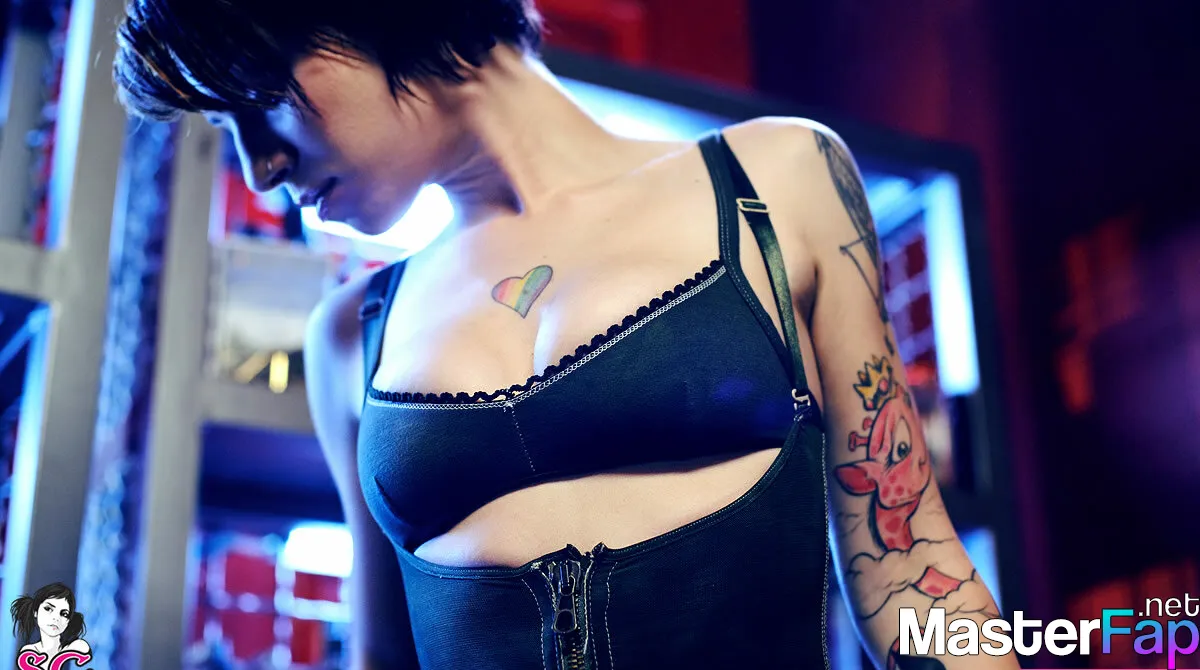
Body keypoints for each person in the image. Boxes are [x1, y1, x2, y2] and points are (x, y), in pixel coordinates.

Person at [114, 1, 1018, 668]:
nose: (258, 169)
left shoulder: (777, 180)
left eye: (260, 99)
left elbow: (913, 570)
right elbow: (386, 657)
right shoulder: (350, 335)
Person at [9, 583, 91, 670]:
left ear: (68, 621)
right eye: (48, 609)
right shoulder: (28, 652)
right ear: (35, 612)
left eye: (64, 614)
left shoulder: (78, 646)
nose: (56, 618)